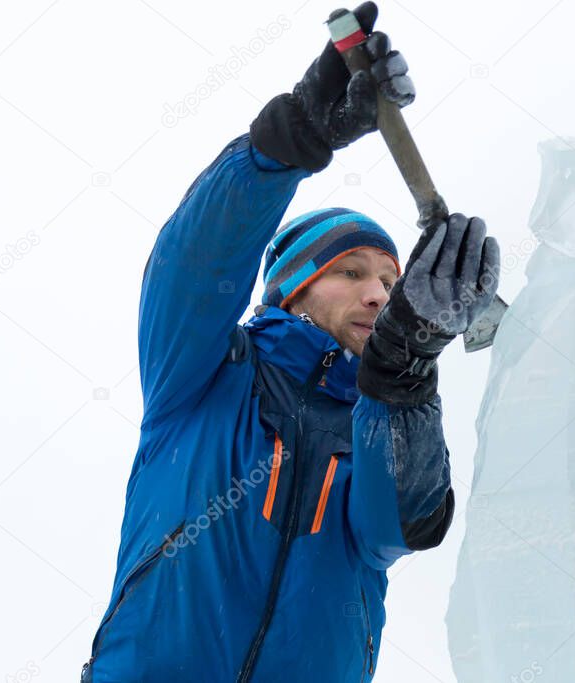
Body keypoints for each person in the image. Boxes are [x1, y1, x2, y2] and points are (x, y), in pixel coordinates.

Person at [80, 3, 500, 681]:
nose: (377, 295)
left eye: (394, 286)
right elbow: (195, 264)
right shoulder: (207, 376)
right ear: (292, 288)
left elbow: (405, 520)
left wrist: (406, 367)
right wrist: (289, 141)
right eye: (352, 272)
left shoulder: (374, 422)